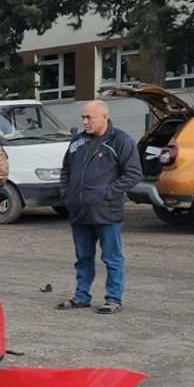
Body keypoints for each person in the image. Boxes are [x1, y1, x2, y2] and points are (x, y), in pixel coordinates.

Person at [56, 100, 142, 314]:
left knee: (112, 258)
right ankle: (81, 296)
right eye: (83, 117)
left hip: (106, 212)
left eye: (89, 117)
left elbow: (133, 174)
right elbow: (66, 170)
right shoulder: (77, 142)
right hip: (79, 212)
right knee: (83, 258)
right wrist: (67, 195)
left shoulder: (121, 141)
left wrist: (107, 193)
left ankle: (113, 299)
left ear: (104, 117)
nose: (85, 121)